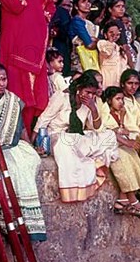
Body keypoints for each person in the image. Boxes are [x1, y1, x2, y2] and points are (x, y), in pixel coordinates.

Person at [0, 62, 46, 241]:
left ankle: (27, 224)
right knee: (9, 170)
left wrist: (31, 146)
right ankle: (10, 224)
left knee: (26, 163)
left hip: (11, 145)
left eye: (4, 79)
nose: (2, 83)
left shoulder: (12, 100)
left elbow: (21, 129)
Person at [32, 72, 118, 203]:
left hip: (77, 137)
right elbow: (44, 119)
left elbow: (97, 128)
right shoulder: (62, 96)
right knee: (66, 142)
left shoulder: (90, 103)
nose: (90, 96)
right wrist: (33, 143)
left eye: (93, 94)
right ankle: (72, 189)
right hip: (57, 136)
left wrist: (93, 109)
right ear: (79, 89)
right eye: (88, 92)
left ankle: (86, 156)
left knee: (109, 135)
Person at [0, 0, 54, 131]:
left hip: (34, 48)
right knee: (17, 91)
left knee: (35, 94)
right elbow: (16, 6)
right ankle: (15, 136)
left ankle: (30, 135)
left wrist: (44, 16)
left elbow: (50, 5)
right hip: (14, 45)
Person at [103, 87, 140, 219]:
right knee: (123, 157)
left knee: (132, 155)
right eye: (117, 99)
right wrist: (126, 139)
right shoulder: (105, 111)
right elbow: (109, 132)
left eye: (122, 99)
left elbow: (127, 128)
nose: (121, 102)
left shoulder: (122, 111)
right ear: (109, 100)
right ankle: (132, 199)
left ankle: (123, 199)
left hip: (121, 143)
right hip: (108, 145)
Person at [68, 0, 99, 72]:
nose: (87, 4)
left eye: (89, 1)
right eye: (83, 1)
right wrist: (98, 42)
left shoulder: (88, 23)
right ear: (76, 6)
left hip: (90, 58)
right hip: (80, 60)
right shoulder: (77, 21)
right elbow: (89, 45)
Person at [102, 0, 134, 68]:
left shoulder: (105, 22)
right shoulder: (118, 23)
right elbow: (125, 47)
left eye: (123, 6)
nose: (121, 9)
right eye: (118, 6)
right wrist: (132, 67)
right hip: (117, 59)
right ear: (110, 9)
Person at [97, 20, 128, 89]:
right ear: (105, 35)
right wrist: (110, 41)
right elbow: (107, 53)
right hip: (107, 82)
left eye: (117, 34)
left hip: (118, 83)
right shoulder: (102, 43)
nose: (114, 36)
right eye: (111, 33)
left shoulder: (119, 49)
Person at [49, 0, 72, 76]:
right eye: (64, 5)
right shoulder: (60, 13)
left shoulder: (69, 18)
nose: (67, 8)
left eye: (69, 6)